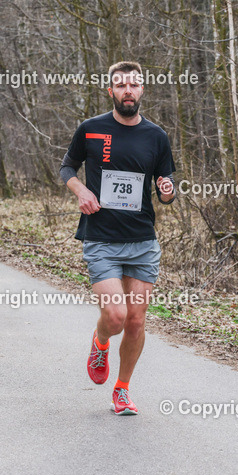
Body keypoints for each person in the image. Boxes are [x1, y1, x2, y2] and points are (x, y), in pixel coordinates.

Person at [60, 61, 176, 415]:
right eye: (121, 85)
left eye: (134, 85)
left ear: (142, 90)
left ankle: (122, 389)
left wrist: (167, 190)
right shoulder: (91, 128)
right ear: (111, 90)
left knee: (136, 321)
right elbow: (67, 167)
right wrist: (80, 190)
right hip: (101, 238)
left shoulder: (156, 136)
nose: (128, 90)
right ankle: (100, 342)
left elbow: (166, 186)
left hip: (142, 240)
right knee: (115, 316)